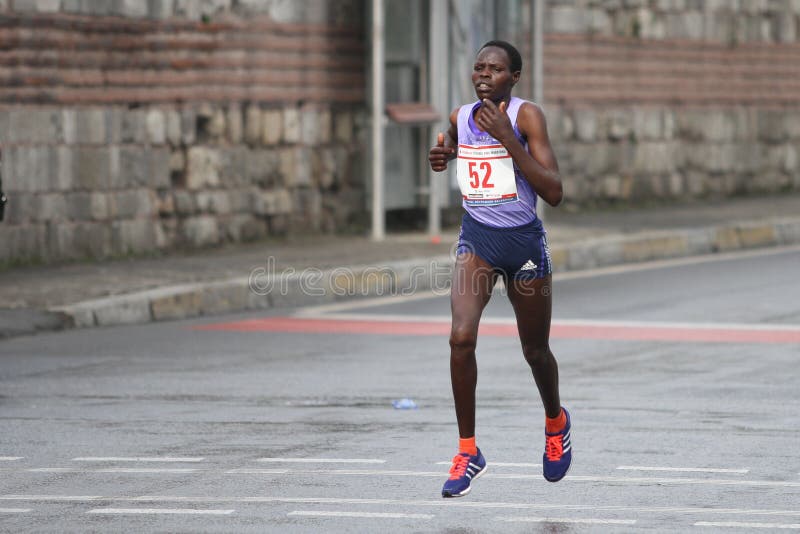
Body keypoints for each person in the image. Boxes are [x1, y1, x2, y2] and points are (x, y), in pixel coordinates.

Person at [428, 40, 570, 498]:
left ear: (514, 77)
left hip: (524, 243)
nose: (483, 75)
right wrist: (444, 154)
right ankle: (468, 450)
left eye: (495, 69)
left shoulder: (528, 117)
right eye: (478, 68)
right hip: (478, 240)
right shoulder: (460, 116)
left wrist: (509, 139)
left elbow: (553, 191)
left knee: (534, 351)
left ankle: (555, 420)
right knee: (460, 336)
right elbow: (451, 139)